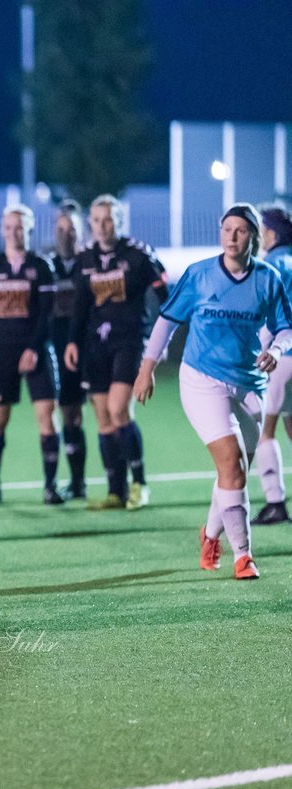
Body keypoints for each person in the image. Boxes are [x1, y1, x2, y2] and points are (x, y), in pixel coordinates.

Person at [133, 203, 292, 581]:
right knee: (231, 462)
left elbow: (286, 328)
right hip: (201, 380)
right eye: (226, 230)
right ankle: (243, 556)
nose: (232, 237)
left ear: (254, 236)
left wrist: (274, 350)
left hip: (250, 385)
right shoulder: (201, 275)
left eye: (240, 230)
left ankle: (209, 534)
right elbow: (167, 322)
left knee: (233, 472)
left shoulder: (268, 278)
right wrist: (146, 369)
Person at [64, 194, 168, 510]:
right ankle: (115, 490)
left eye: (107, 219)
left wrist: (160, 341)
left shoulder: (138, 255)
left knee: (118, 408)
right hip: (96, 345)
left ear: (119, 222)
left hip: (130, 341)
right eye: (96, 220)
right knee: (102, 418)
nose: (101, 226)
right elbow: (80, 306)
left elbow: (165, 296)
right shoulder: (84, 260)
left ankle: (140, 484)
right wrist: (72, 342)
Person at [0, 204, 61, 504]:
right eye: (9, 227)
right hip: (0, 353)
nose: (14, 232)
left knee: (47, 416)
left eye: (20, 227)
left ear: (30, 229)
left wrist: (34, 349)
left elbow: (48, 315)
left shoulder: (42, 266)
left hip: (36, 351)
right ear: (2, 230)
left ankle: (51, 486)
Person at [251, 205, 292, 524]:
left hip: (281, 357)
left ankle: (275, 502)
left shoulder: (268, 266)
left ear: (272, 234)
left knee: (265, 430)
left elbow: (265, 315)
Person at [45, 201, 89, 499]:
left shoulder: (90, 263)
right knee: (64, 412)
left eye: (71, 229)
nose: (66, 234)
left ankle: (87, 481)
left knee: (97, 412)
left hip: (87, 347)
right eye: (61, 229)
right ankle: (68, 482)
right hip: (55, 347)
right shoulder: (47, 266)